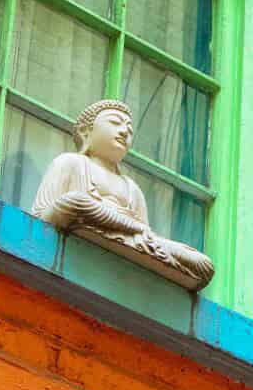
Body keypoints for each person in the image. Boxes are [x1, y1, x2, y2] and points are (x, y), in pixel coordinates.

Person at [31, 99, 215, 291]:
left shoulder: (132, 189)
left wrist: (140, 233)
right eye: (115, 122)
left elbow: (146, 237)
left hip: (130, 240)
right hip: (94, 220)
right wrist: (132, 226)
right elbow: (44, 214)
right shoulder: (70, 163)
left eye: (129, 129)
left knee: (203, 264)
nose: (125, 131)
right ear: (86, 131)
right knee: (76, 200)